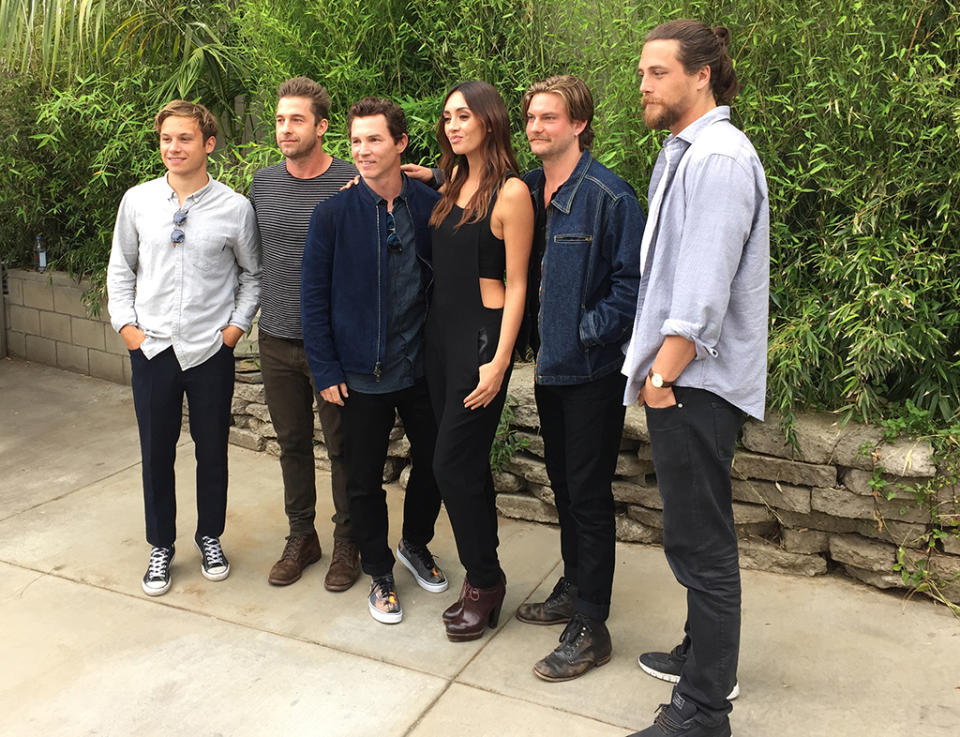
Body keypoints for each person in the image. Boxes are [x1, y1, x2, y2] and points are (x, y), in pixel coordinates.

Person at [622, 20, 769, 737]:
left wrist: (661, 375)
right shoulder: (688, 152)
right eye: (643, 72)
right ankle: (700, 654)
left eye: (657, 72)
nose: (643, 84)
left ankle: (705, 707)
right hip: (683, 380)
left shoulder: (717, 160)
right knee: (692, 531)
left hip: (693, 383)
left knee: (701, 543)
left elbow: (704, 292)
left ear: (701, 74)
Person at [513, 75, 644, 681]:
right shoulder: (532, 189)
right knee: (566, 487)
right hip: (551, 370)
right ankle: (574, 586)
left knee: (588, 497)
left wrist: (583, 330)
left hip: (591, 371)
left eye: (549, 118)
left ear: (579, 124)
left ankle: (592, 625)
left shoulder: (610, 197)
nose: (537, 127)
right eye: (532, 118)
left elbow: (632, 286)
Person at [301, 97, 447, 625]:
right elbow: (313, 297)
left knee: (435, 463)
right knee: (361, 479)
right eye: (356, 141)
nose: (362, 151)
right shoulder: (334, 212)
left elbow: (487, 177)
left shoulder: (431, 206)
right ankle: (380, 572)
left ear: (401, 144)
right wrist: (327, 368)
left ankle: (414, 543)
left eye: (375, 140)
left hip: (420, 368)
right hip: (358, 374)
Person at [107, 100, 261, 596]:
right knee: (156, 452)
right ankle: (161, 545)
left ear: (208, 144)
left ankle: (209, 536)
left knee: (212, 449)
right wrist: (127, 327)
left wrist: (234, 331)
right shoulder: (138, 201)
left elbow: (253, 276)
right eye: (167, 139)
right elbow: (121, 269)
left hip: (208, 351)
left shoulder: (234, 208)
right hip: (151, 349)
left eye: (185, 139)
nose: (173, 148)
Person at [425, 81, 533, 642]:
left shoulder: (511, 192)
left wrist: (500, 361)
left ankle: (485, 582)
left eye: (463, 116)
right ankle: (483, 576)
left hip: (480, 343)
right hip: (439, 339)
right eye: (447, 117)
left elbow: (518, 285)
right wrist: (421, 175)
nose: (452, 125)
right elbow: (439, 194)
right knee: (465, 467)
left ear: (489, 121)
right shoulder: (454, 180)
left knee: (450, 464)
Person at [250, 77, 362, 591]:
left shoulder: (351, 181)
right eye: (279, 119)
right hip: (274, 338)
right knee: (292, 444)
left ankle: (348, 542)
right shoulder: (262, 183)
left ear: (321, 126)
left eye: (297, 119)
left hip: (331, 345)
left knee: (343, 448)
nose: (285, 128)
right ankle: (302, 537)